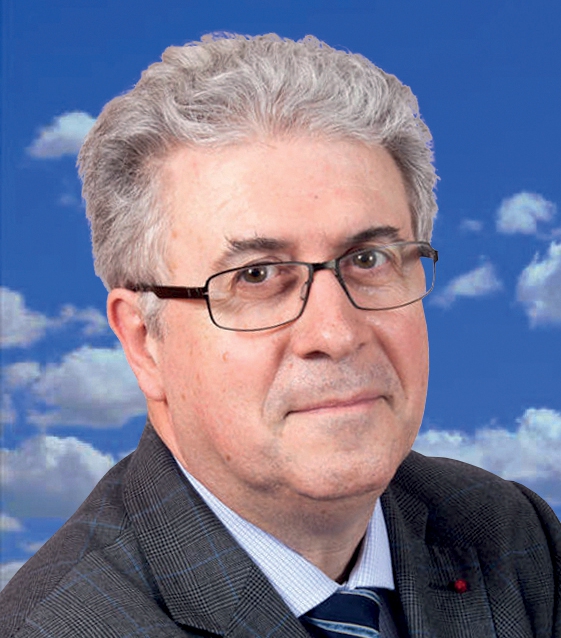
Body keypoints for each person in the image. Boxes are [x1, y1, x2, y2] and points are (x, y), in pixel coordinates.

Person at [1, 33, 559, 638]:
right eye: (257, 276)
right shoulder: (55, 626)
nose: (336, 333)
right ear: (143, 342)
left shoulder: (511, 535)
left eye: (368, 259)